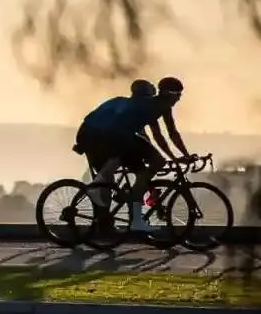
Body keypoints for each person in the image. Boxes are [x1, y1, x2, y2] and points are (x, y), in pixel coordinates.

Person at [75, 76, 191, 232]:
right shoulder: (150, 105)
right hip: (102, 135)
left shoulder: (160, 106)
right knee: (147, 160)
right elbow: (158, 138)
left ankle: (125, 207)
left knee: (147, 167)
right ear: (168, 94)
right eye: (177, 95)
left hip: (112, 134)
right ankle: (103, 188)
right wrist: (175, 158)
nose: (179, 99)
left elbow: (170, 134)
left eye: (180, 96)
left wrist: (184, 154)